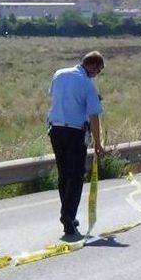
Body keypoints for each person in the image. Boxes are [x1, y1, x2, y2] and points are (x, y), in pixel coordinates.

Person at [47, 51, 105, 238]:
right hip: (75, 133)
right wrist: (98, 142)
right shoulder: (88, 84)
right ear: (93, 66)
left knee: (63, 174)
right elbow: (94, 117)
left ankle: (68, 213)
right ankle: (68, 216)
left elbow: (56, 98)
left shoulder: (59, 74)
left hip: (55, 130)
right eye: (99, 71)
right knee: (76, 176)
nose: (97, 75)